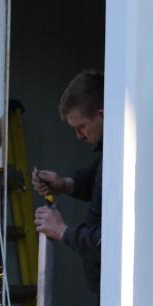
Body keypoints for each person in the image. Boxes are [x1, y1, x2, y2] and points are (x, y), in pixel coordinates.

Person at [32, 70, 103, 293]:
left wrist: (63, 231)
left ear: (102, 114)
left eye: (81, 127)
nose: (79, 136)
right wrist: (64, 184)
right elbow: (95, 177)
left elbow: (111, 242)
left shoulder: (128, 158)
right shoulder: (112, 154)